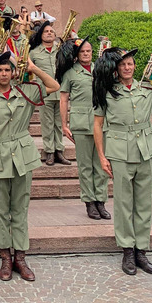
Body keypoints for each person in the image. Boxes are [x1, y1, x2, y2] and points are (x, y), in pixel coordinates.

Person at [93, 47, 152, 276]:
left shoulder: (147, 88)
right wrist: (102, 157)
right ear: (116, 68)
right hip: (119, 152)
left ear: (135, 66)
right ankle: (127, 251)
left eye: (131, 64)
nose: (127, 67)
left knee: (143, 203)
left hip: (145, 149)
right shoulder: (106, 91)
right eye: (123, 64)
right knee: (124, 204)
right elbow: (97, 124)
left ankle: (141, 250)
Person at [0, 51, 60, 282]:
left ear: (13, 72)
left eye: (7, 70)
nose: (4, 74)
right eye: (0, 70)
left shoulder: (26, 90)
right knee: (1, 211)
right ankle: (5, 257)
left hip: (22, 155)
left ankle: (20, 257)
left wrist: (34, 69)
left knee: (20, 209)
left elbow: (53, 86)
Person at [57, 37, 110, 221]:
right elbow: (63, 99)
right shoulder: (70, 73)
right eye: (82, 52)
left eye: (88, 51)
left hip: (102, 122)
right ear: (77, 55)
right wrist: (64, 124)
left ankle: (101, 200)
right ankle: (89, 202)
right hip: (81, 124)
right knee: (85, 166)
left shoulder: (101, 69)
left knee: (101, 164)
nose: (86, 54)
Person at [29, 21, 70, 166]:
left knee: (59, 124)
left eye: (52, 31)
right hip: (44, 92)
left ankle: (59, 150)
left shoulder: (61, 50)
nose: (49, 33)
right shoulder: (34, 53)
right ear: (41, 35)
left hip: (60, 93)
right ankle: (49, 152)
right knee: (47, 123)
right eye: (46, 31)